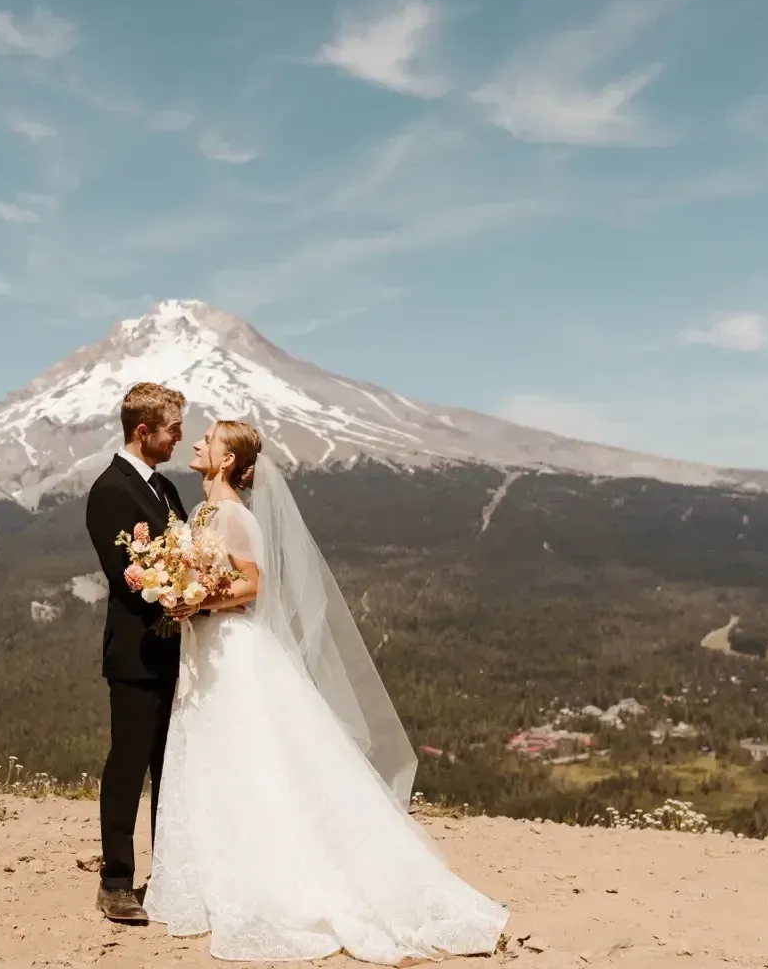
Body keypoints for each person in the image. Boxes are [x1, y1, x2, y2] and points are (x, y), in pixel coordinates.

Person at [142, 420, 510, 964]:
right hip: (205, 648)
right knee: (215, 759)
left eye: (207, 440)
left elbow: (252, 583)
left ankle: (279, 878)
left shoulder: (235, 516)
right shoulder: (203, 513)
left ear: (223, 461)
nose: (196, 443)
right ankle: (217, 872)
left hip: (233, 650)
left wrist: (197, 600)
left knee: (252, 758)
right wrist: (180, 592)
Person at [83, 382, 189, 923]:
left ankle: (170, 871)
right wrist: (179, 593)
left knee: (173, 767)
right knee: (128, 762)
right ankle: (116, 880)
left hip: (179, 652)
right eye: (173, 430)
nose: (179, 439)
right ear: (143, 431)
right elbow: (129, 578)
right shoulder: (109, 490)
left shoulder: (167, 489)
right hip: (136, 653)